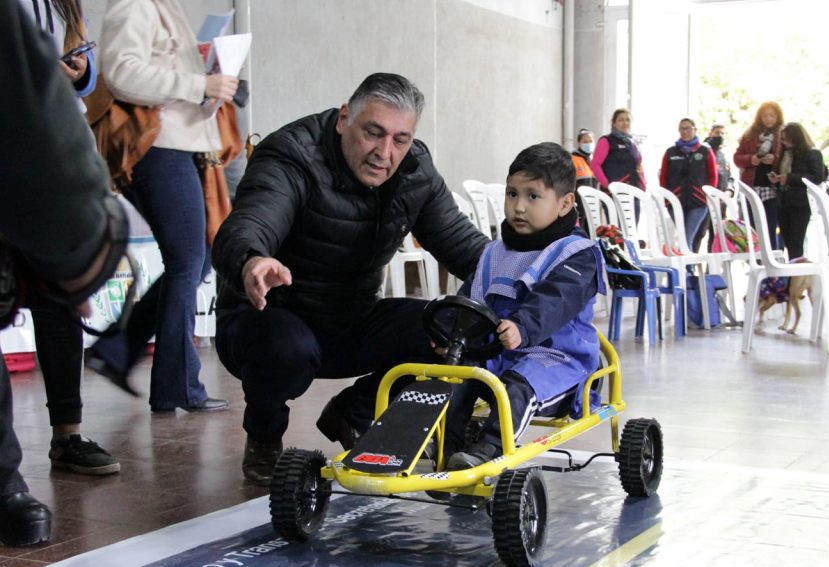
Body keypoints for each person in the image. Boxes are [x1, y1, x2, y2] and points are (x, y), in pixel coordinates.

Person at [211, 73, 489, 485]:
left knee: (459, 327)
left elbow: (461, 243)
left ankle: (352, 413)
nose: (384, 152)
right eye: (372, 133)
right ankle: (265, 438)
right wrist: (252, 260)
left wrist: (528, 275)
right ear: (344, 118)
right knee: (285, 346)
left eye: (400, 139)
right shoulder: (291, 154)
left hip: (352, 318)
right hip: (271, 316)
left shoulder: (415, 171)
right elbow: (251, 220)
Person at [2, 0, 129, 545]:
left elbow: (75, 80)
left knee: (55, 301)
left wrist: (79, 73)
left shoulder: (62, 5)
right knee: (61, 277)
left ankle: (63, 436)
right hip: (29, 151)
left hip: (38, 142)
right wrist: (84, 252)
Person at [86, 0, 239, 413]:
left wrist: (209, 80)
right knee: (189, 261)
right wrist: (200, 86)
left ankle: (117, 351)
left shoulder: (160, 5)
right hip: (159, 149)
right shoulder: (134, 5)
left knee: (198, 259)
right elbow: (121, 72)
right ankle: (177, 385)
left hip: (179, 146)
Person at [443, 143, 603, 470]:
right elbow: (470, 297)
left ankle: (487, 452)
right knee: (453, 376)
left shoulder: (576, 254)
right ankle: (442, 446)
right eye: (512, 194)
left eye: (533, 196)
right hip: (498, 354)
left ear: (564, 204)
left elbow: (556, 300)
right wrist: (448, 329)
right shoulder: (493, 253)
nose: (518, 207)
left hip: (558, 361)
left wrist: (522, 327)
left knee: (518, 387)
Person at [659, 118, 718, 250]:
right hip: (675, 201)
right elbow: (663, 177)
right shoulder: (670, 152)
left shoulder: (705, 151)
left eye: (688, 128)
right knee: (684, 236)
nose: (685, 132)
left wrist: (708, 195)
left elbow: (713, 176)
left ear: (695, 130)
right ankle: (687, 269)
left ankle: (687, 269)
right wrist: (666, 198)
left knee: (687, 237)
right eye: (682, 129)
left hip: (698, 202)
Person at [769, 122, 825, 261]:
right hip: (783, 201)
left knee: (796, 240)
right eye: (782, 139)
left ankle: (798, 273)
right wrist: (777, 178)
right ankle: (794, 268)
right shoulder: (785, 154)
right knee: (787, 240)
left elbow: (817, 177)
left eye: (787, 138)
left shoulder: (813, 153)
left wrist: (789, 178)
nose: (784, 142)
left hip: (801, 202)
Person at [734, 101, 785, 250]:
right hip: (752, 187)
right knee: (752, 229)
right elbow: (737, 157)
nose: (768, 119)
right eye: (765, 116)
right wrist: (751, 159)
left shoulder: (782, 134)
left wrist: (774, 159)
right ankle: (756, 263)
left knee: (770, 228)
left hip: (772, 189)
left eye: (772, 115)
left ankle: (773, 265)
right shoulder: (750, 135)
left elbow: (788, 158)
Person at [591, 108, 646, 191]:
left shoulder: (633, 143)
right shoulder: (606, 141)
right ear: (614, 123)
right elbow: (595, 165)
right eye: (621, 120)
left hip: (634, 190)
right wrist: (607, 185)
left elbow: (638, 165)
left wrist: (643, 183)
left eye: (628, 120)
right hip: (614, 191)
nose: (625, 123)